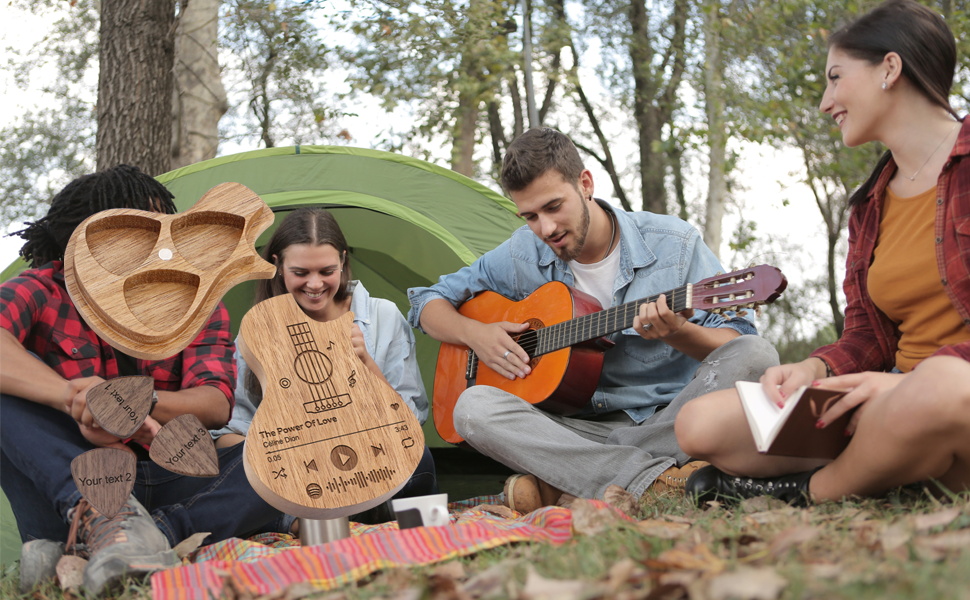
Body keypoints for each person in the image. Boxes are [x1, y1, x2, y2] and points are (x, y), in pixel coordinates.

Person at [676, 0, 970, 506]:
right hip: (890, 397)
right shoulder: (870, 206)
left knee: (940, 388)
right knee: (700, 424)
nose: (825, 101)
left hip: (948, 394)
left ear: (890, 69)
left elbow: (933, 384)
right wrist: (815, 370)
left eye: (835, 77)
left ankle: (813, 491)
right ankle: (903, 465)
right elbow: (865, 335)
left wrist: (902, 388)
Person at [406, 127, 779, 511]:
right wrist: (476, 334)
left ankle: (582, 477)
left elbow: (735, 341)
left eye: (553, 207)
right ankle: (653, 478)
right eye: (530, 216)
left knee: (757, 355)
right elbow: (425, 303)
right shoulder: (523, 252)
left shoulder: (675, 244)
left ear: (585, 184)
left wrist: (679, 333)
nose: (545, 229)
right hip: (577, 429)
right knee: (471, 409)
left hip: (672, 418)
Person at [0, 165, 284, 594]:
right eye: (140, 232)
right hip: (71, 483)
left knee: (285, 452)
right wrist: (71, 398)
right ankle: (104, 520)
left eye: (165, 229)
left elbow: (215, 402)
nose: (161, 244)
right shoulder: (41, 288)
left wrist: (130, 404)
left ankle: (145, 538)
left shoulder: (197, 303)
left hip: (171, 473)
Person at [210, 207, 437, 527]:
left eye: (326, 271)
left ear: (343, 262)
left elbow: (411, 422)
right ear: (277, 266)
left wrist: (366, 365)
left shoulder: (383, 316)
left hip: (378, 465)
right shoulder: (257, 335)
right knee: (240, 471)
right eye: (301, 272)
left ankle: (434, 540)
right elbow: (230, 432)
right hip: (304, 481)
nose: (315, 285)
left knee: (421, 459)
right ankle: (299, 523)